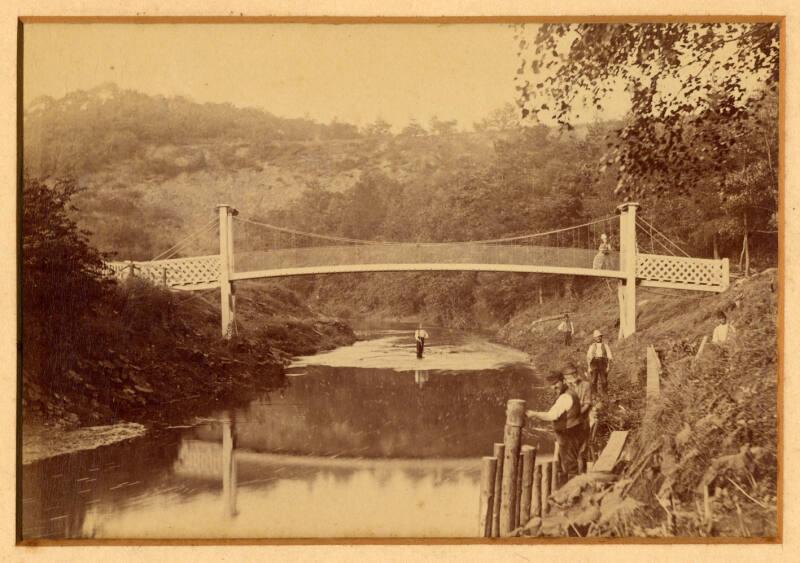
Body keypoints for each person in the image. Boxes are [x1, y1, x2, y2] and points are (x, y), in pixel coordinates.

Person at [526, 368, 586, 484]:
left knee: (569, 466)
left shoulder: (565, 397)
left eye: (555, 383)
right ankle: (564, 490)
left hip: (569, 434)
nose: (554, 387)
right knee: (563, 465)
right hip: (569, 433)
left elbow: (552, 415)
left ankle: (572, 493)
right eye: (551, 385)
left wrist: (534, 414)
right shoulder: (569, 393)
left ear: (563, 381)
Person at [564, 363, 593, 473]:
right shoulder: (565, 388)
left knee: (582, 452)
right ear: (566, 377)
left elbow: (587, 404)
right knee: (568, 452)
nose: (573, 375)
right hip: (568, 423)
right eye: (570, 375)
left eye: (574, 373)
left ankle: (581, 477)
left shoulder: (586, 385)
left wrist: (576, 413)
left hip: (582, 421)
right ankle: (569, 478)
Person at [586, 329, 613, 396]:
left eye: (599, 336)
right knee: (593, 380)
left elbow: (609, 356)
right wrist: (589, 367)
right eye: (597, 337)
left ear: (601, 337)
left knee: (604, 380)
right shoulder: (592, 346)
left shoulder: (605, 345)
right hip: (594, 362)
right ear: (594, 338)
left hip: (603, 363)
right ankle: (595, 393)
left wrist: (608, 367)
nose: (598, 338)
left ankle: (605, 393)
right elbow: (588, 357)